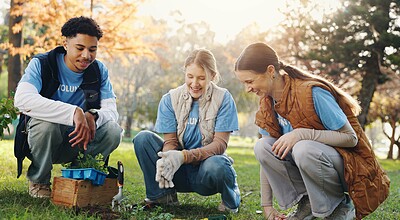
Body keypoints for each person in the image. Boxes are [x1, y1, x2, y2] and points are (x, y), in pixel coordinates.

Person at [233, 42, 390, 220]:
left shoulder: (312, 92)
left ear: (270, 71)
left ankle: (340, 207)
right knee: (263, 146)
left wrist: (301, 133)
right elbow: (266, 159)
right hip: (313, 166)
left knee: (303, 148)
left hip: (349, 167)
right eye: (244, 83)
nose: (247, 89)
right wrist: (267, 207)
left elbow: (350, 138)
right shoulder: (267, 103)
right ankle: (307, 203)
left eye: (250, 81)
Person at [14, 16, 122, 198]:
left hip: (80, 141)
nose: (86, 55)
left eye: (92, 49)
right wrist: (73, 112)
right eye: (79, 48)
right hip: (44, 141)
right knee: (46, 125)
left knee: (113, 130)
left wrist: (93, 116)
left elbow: (111, 111)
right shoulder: (42, 64)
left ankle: (79, 180)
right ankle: (39, 181)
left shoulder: (99, 70)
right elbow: (23, 99)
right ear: (65, 44)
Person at [133, 48, 241, 213]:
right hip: (178, 174)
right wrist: (167, 159)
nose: (195, 83)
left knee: (218, 164)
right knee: (143, 138)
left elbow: (220, 145)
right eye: (190, 77)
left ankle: (230, 201)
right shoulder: (170, 99)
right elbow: (170, 142)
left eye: (202, 78)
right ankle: (162, 195)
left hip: (205, 174)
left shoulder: (223, 99)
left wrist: (184, 156)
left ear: (213, 76)